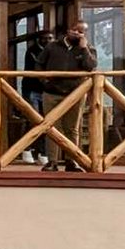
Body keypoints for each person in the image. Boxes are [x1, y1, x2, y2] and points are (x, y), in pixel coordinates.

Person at [36, 19, 98, 171]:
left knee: (72, 128)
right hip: (52, 92)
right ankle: (52, 161)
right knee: (51, 127)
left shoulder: (88, 48)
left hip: (75, 94)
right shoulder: (52, 46)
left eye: (81, 32)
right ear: (68, 30)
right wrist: (44, 80)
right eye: (75, 30)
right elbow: (39, 63)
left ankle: (72, 160)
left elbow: (90, 66)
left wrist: (84, 49)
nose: (77, 33)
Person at [20, 30, 50, 164]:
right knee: (33, 119)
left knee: (45, 121)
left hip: (46, 91)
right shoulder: (32, 51)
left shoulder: (52, 51)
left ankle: (43, 152)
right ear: (39, 39)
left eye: (50, 38)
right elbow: (37, 68)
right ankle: (26, 149)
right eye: (45, 38)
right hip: (32, 89)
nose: (48, 40)